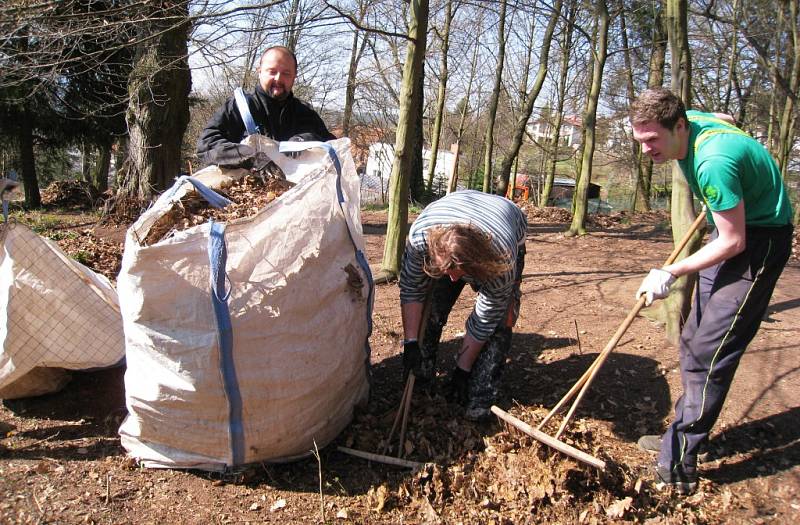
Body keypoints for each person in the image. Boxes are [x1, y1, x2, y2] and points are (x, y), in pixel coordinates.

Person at [630, 87, 794, 494]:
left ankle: (679, 456)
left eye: (653, 139)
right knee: (693, 337)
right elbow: (725, 117)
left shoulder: (714, 162)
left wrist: (670, 271)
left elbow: (733, 242)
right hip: (733, 230)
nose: (646, 149)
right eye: (640, 139)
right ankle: (689, 428)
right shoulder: (694, 122)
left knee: (711, 349)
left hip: (758, 239)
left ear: (679, 126)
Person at [399, 190, 528, 421]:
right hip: (453, 212)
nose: (453, 279)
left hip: (504, 222)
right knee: (431, 310)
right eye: (446, 272)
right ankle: (421, 380)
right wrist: (410, 342)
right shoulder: (420, 239)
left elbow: (485, 316)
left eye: (460, 274)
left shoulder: (501, 260)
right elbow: (412, 289)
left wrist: (463, 368)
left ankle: (480, 398)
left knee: (499, 323)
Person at [196, 45, 335, 176]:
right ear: (260, 71)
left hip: (297, 197)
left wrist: (306, 140)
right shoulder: (239, 106)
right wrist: (250, 157)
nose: (278, 79)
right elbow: (206, 145)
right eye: (272, 71)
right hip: (242, 196)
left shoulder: (305, 113)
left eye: (286, 73)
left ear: (294, 77)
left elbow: (333, 149)